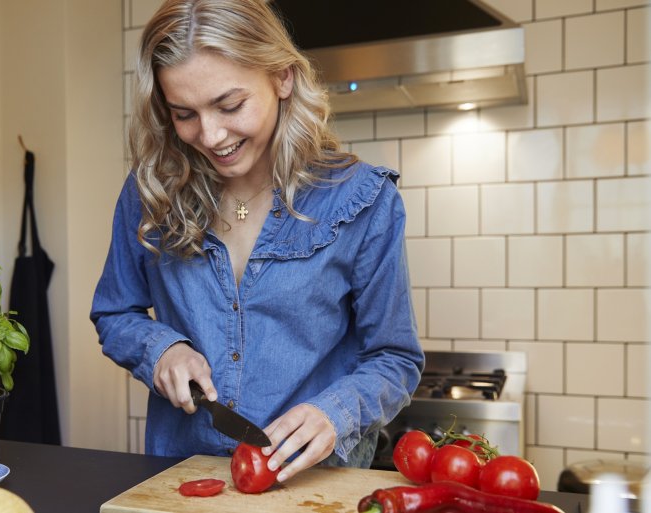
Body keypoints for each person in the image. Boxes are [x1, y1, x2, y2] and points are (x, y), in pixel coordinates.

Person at [90, 0, 424, 483]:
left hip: (314, 487)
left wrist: (337, 412)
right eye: (184, 113)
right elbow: (114, 312)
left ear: (283, 77)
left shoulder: (364, 201)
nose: (210, 135)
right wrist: (161, 349)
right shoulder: (151, 191)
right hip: (182, 479)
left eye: (230, 105)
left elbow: (396, 358)